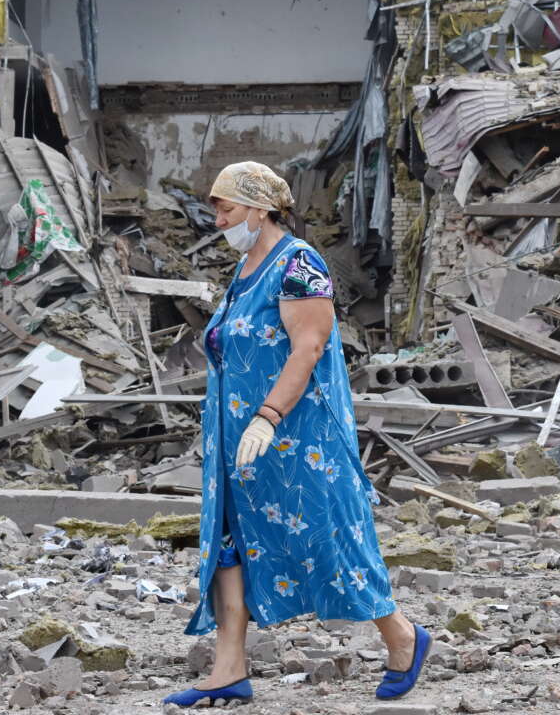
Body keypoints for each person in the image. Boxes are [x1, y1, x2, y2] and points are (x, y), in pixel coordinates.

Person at [164, 162, 430, 708]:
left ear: (260, 209)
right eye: (216, 207)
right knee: (229, 545)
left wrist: (267, 416)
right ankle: (228, 669)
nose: (218, 219)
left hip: (296, 437)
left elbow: (307, 348)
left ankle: (402, 635)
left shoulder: (299, 264)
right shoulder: (245, 268)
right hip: (237, 442)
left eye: (227, 208)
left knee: (329, 538)